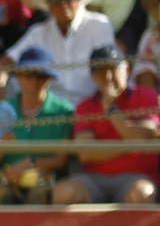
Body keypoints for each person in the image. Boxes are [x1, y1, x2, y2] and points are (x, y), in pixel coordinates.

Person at [54, 44, 160, 204]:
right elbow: (86, 154)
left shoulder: (147, 96)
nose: (108, 77)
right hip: (94, 178)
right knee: (63, 193)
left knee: (142, 193)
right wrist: (131, 142)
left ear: (127, 70)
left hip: (137, 176)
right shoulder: (85, 106)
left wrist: (112, 111)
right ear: (93, 77)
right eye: (101, 72)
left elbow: (144, 135)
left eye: (113, 69)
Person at [0, 0, 113, 104]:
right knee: (14, 83)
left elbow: (110, 70)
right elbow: (2, 65)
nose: (63, 4)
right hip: (51, 110)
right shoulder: (39, 32)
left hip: (91, 106)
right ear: (48, 5)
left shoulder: (99, 25)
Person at [0, 47, 71, 203]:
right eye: (28, 74)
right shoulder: (3, 110)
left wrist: (29, 164)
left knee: (39, 193)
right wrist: (0, 147)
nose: (34, 80)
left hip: (45, 180)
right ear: (18, 76)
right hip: (7, 180)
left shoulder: (63, 111)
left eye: (41, 75)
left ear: (49, 79)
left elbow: (61, 161)